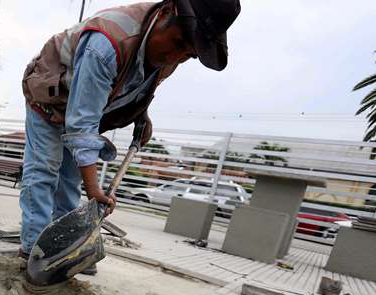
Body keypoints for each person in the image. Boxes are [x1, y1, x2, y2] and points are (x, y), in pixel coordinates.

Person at [19, 0, 241, 274]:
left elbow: (137, 83)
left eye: (187, 54)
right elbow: (82, 125)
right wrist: (95, 193)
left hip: (82, 109)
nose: (176, 57)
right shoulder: (107, 44)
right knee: (43, 172)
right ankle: (34, 252)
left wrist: (142, 114)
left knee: (69, 181)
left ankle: (65, 245)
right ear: (167, 12)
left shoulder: (171, 51)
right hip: (49, 98)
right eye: (179, 42)